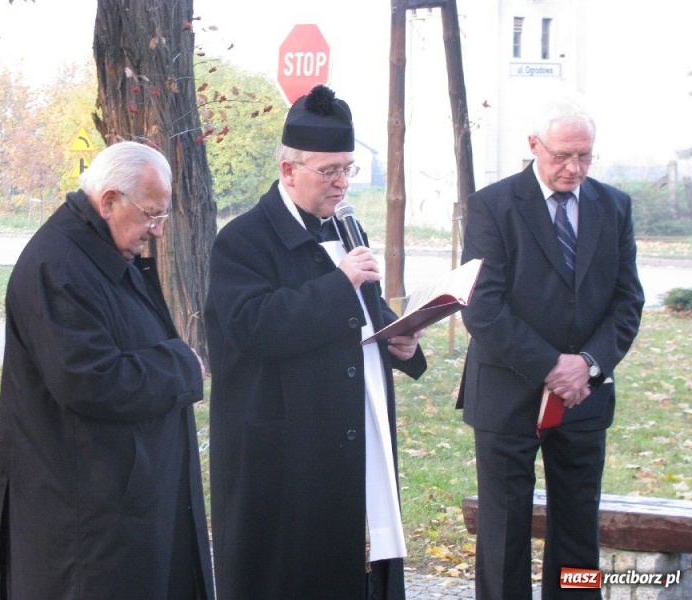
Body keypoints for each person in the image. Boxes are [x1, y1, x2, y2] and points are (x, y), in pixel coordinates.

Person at [204, 85, 428, 599]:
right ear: (289, 170)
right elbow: (253, 327)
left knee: (360, 566)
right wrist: (339, 283)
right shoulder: (242, 241)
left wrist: (402, 342)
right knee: (296, 575)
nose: (342, 184)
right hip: (286, 452)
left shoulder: (348, 227)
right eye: (329, 172)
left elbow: (367, 314)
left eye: (347, 169)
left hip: (356, 431)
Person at [0, 141, 214, 599]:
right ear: (110, 200)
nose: (156, 230)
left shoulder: (103, 249)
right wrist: (182, 367)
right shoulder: (58, 265)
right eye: (151, 215)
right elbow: (90, 380)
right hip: (84, 523)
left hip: (119, 504)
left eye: (162, 217)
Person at [457, 97, 644, 599]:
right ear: (533, 145)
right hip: (506, 393)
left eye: (585, 156)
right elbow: (481, 306)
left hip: (585, 396)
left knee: (580, 533)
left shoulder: (614, 205)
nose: (574, 167)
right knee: (503, 534)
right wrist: (551, 366)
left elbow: (628, 300)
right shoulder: (492, 206)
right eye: (563, 155)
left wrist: (587, 365)